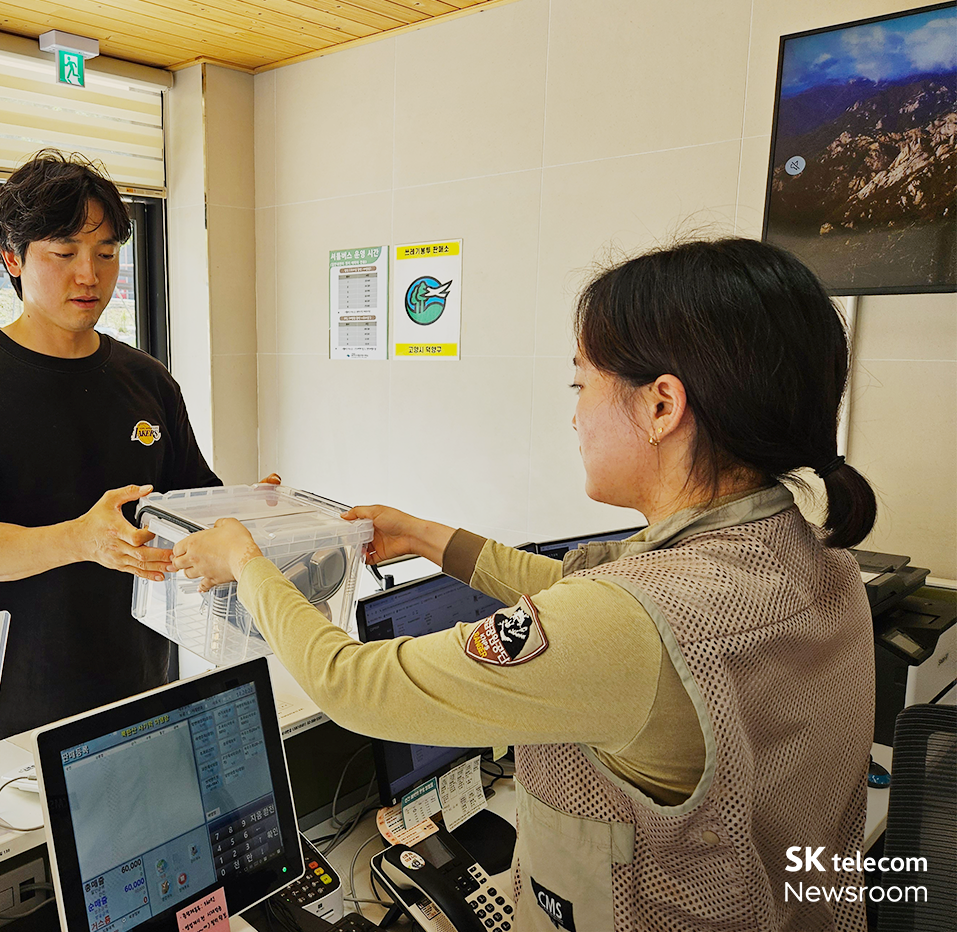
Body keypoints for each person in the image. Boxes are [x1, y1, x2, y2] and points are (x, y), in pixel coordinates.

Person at [172, 238, 877, 932]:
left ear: (661, 407)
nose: (575, 415)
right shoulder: (819, 566)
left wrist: (246, 562)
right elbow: (588, 593)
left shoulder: (629, 622)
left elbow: (355, 685)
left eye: (582, 384)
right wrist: (424, 536)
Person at [0, 150, 272, 740]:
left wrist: (252, 513)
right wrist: (80, 539)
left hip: (142, 678)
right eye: (64, 252)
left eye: (105, 253)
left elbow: (190, 502)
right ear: (12, 257)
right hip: (11, 700)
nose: (89, 276)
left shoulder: (147, 380)